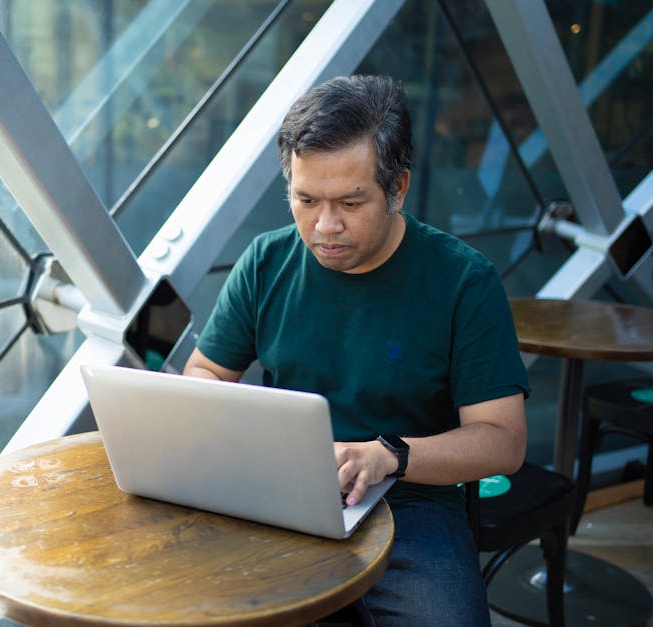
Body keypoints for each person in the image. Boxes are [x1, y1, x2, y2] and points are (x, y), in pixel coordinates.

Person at [182, 74, 529, 626]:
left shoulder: (464, 280)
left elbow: (503, 441)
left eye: (350, 201)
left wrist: (389, 454)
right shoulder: (265, 261)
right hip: (280, 495)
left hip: (413, 502)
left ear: (399, 188)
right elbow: (205, 371)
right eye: (305, 200)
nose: (325, 226)